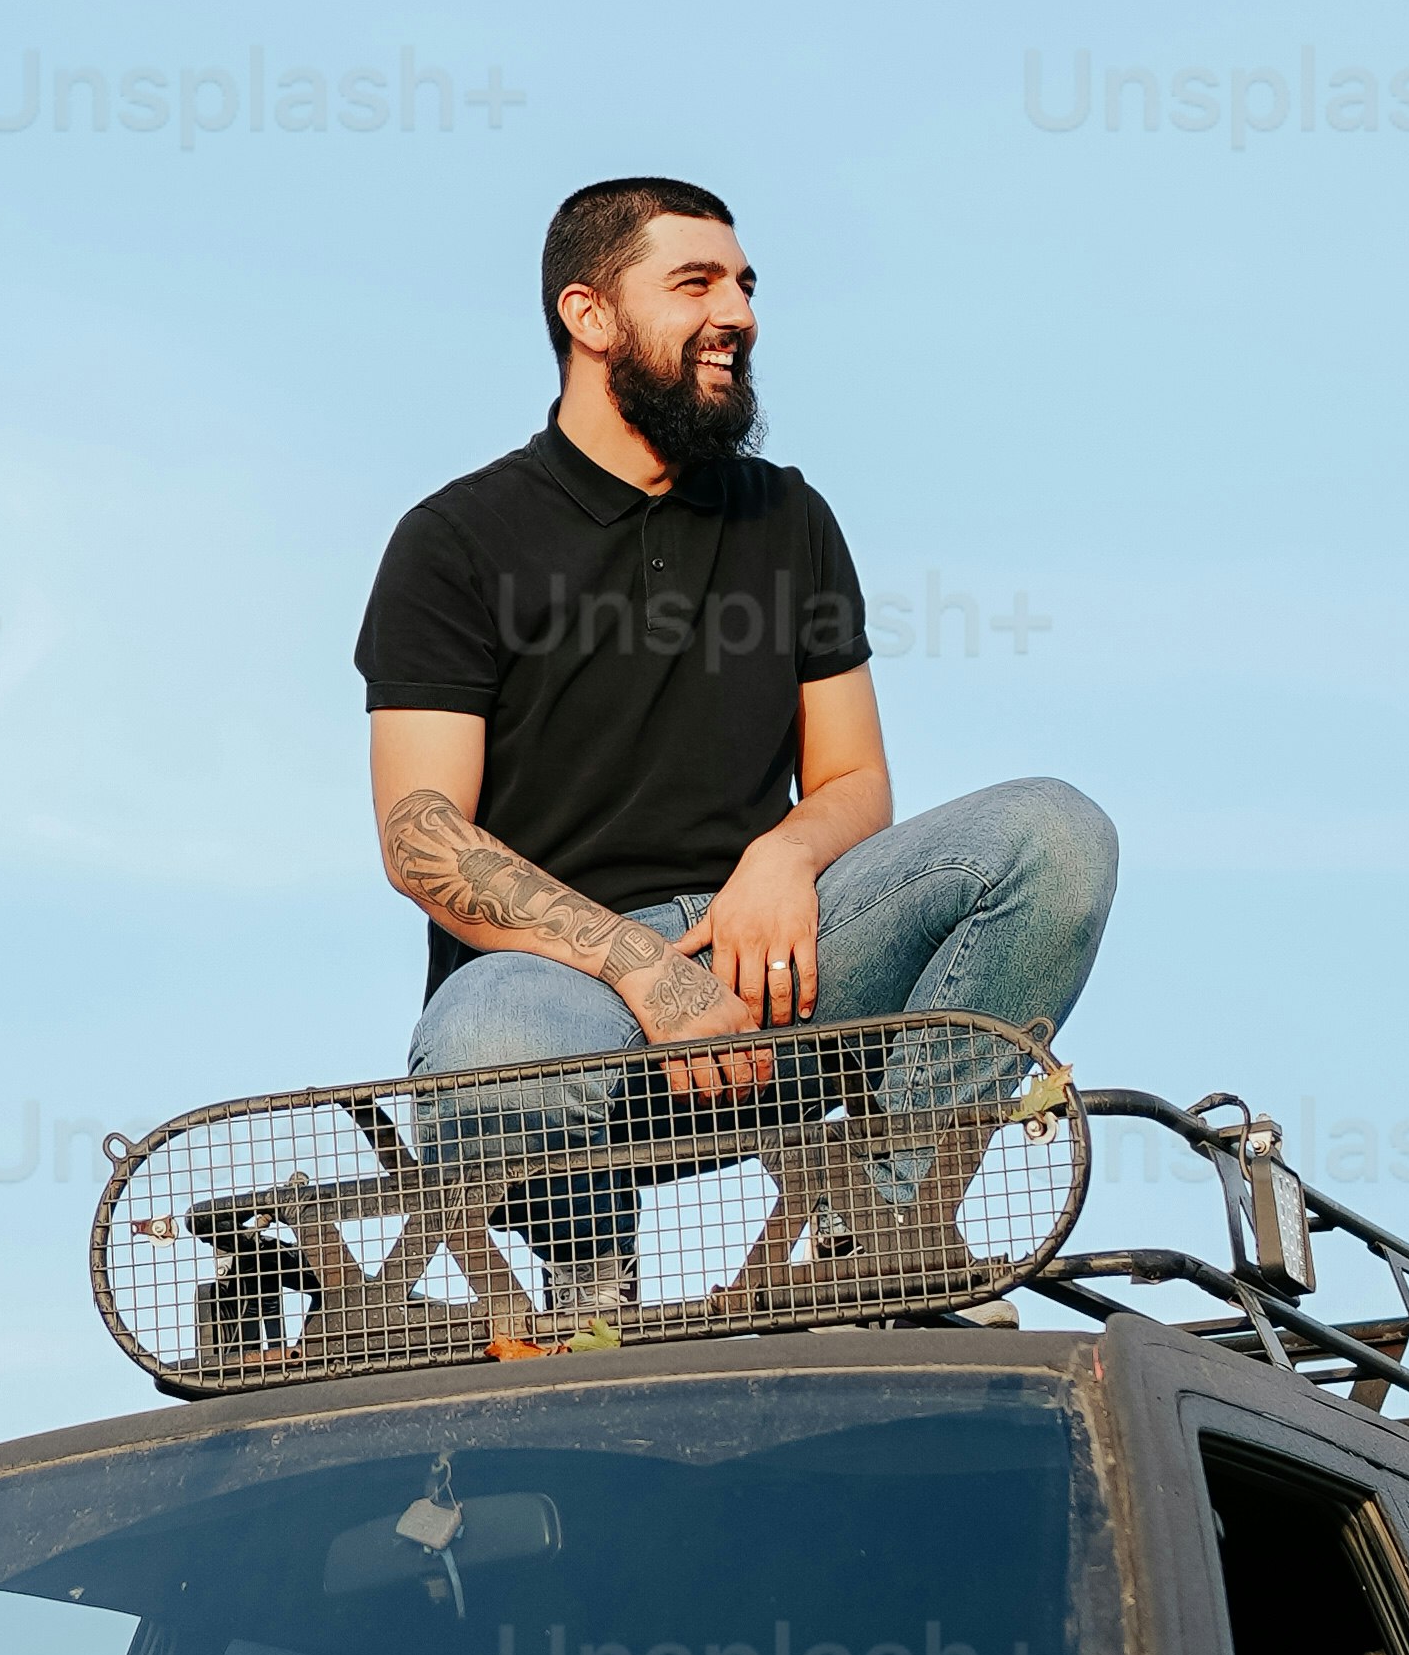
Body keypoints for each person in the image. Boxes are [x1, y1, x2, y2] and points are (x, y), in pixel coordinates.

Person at [354, 176, 1115, 1128]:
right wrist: (643, 967)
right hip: (562, 990)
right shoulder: (455, 539)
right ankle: (585, 1235)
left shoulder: (786, 514)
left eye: (745, 286)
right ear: (589, 316)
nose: (739, 315)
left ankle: (885, 1202)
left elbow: (853, 778)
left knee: (1055, 837)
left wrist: (783, 857)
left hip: (782, 961)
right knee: (489, 1041)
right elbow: (420, 833)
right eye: (696, 284)